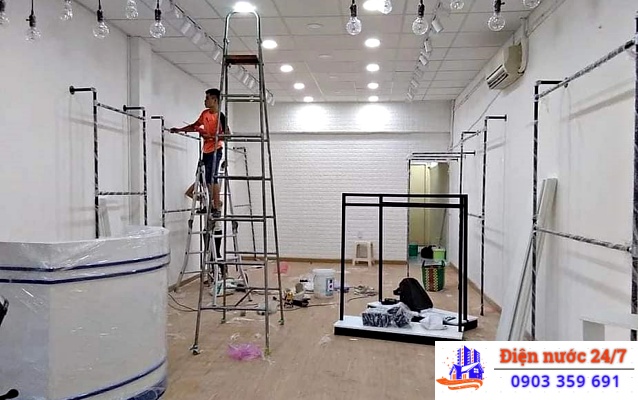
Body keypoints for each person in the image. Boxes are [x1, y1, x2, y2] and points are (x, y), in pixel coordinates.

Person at [170, 88, 229, 217]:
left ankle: (217, 207)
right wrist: (179, 130)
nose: (205, 101)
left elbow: (227, 135)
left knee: (212, 177)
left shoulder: (220, 116)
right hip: (206, 150)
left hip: (216, 149)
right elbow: (194, 125)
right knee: (202, 178)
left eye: (207, 98)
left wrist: (211, 136)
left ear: (215, 100)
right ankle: (207, 204)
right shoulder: (205, 113)